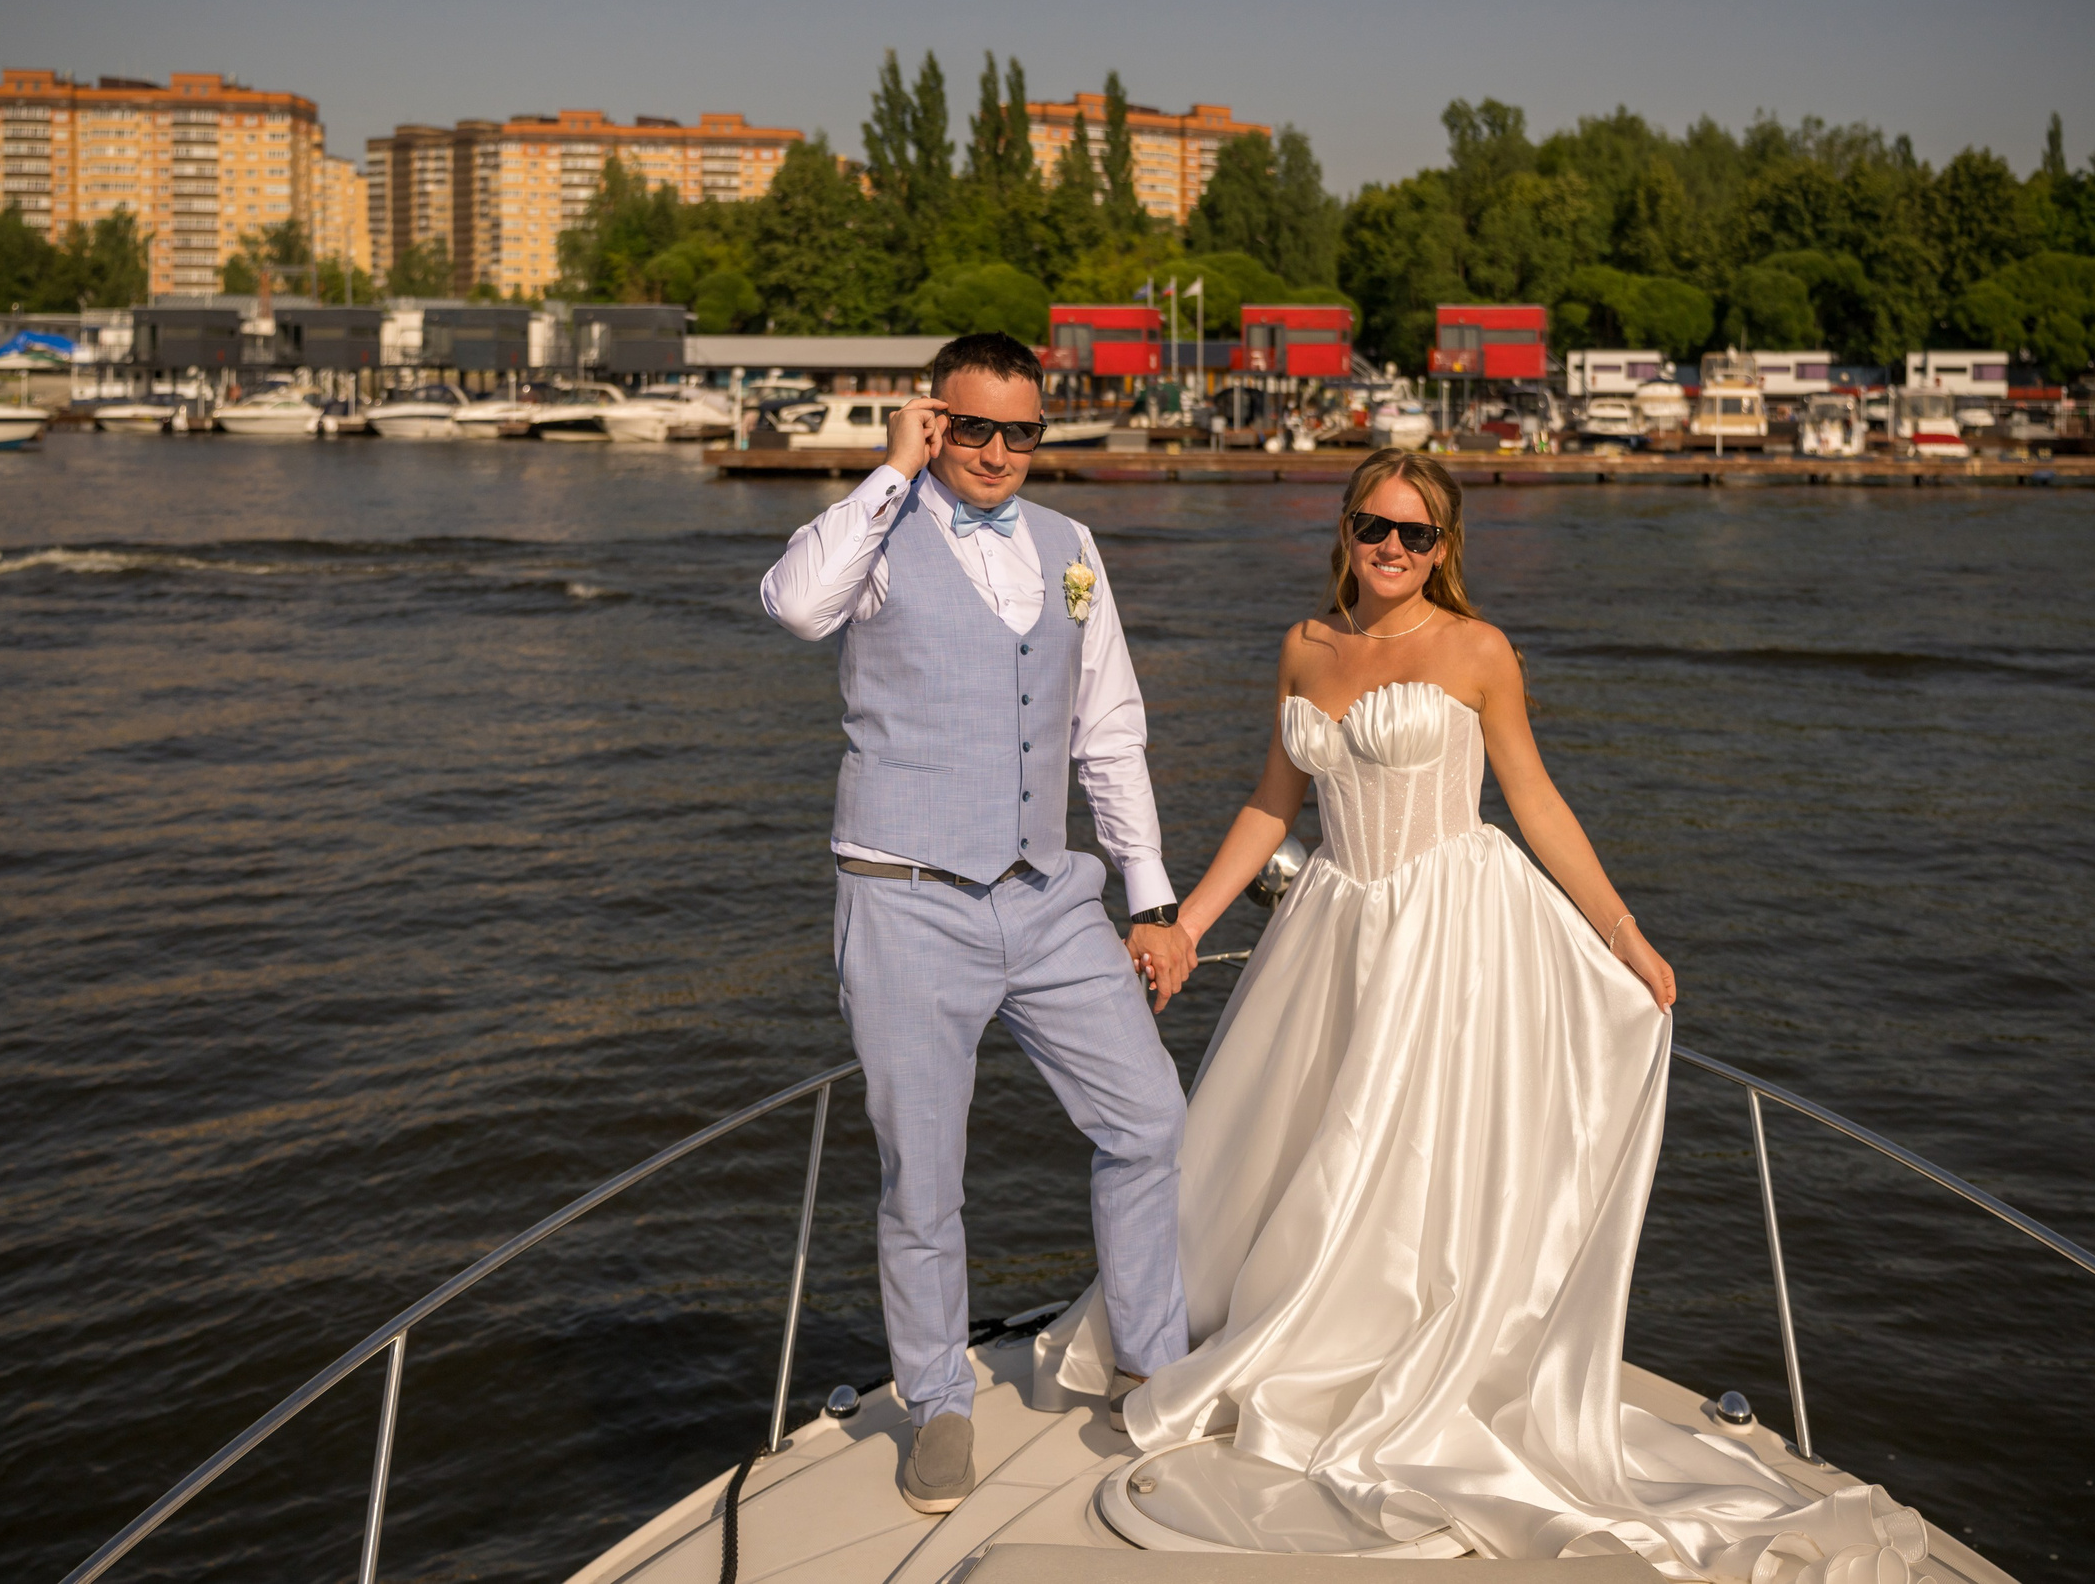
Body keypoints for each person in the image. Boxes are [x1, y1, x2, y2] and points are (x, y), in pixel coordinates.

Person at [1038, 448, 1929, 1573]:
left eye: (1415, 533)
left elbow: (1534, 795)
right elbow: (1274, 803)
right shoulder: (1305, 647)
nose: (1393, 550)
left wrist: (1620, 930)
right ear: (1346, 532)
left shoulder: (1476, 650)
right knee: (1301, 1145)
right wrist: (1185, 925)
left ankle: (1393, 1352)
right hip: (1332, 926)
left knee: (1404, 1157)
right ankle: (1294, 1333)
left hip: (1451, 929)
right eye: (1374, 528)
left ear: (1445, 545)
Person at [761, 332, 1198, 1516]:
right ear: (934, 420)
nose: (1001, 451)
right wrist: (890, 470)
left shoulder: (1071, 548)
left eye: (1023, 431)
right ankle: (937, 1406)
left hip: (1049, 897)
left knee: (1149, 1122)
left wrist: (1150, 898)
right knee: (924, 1180)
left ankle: (1148, 1361)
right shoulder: (881, 532)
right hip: (905, 899)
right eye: (975, 427)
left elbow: (1108, 731)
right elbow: (794, 606)